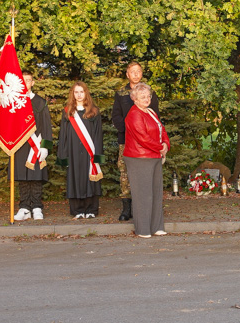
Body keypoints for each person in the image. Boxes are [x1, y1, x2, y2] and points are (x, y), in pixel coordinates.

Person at [112, 61, 160, 221]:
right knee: (125, 173)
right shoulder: (120, 94)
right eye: (132, 71)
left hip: (146, 141)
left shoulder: (149, 92)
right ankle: (127, 209)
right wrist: (129, 132)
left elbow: (154, 116)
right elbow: (116, 117)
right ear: (127, 74)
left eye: (138, 71)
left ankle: (144, 209)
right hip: (126, 140)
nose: (136, 74)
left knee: (145, 175)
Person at [123, 82, 170, 238]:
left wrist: (165, 144)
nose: (146, 98)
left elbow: (161, 130)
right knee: (143, 194)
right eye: (142, 96)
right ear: (134, 99)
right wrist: (159, 147)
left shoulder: (150, 112)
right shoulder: (134, 114)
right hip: (139, 158)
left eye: (148, 95)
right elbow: (143, 138)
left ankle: (157, 227)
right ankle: (143, 229)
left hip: (154, 156)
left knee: (156, 193)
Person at [57, 82, 103, 219]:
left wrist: (98, 156)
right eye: (76, 92)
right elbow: (63, 135)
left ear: (86, 93)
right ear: (72, 94)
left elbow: (98, 134)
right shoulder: (67, 112)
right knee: (75, 178)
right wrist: (63, 155)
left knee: (90, 179)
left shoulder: (94, 112)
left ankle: (91, 209)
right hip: (73, 152)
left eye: (81, 91)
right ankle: (77, 210)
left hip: (90, 153)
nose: (79, 95)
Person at [13, 70, 53, 221]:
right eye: (23, 80)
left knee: (36, 176)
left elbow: (46, 125)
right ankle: (24, 208)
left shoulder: (40, 102)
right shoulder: (14, 102)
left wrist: (44, 146)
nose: (25, 83)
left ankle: (36, 207)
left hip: (36, 144)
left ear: (32, 83)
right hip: (20, 145)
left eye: (28, 80)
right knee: (22, 176)